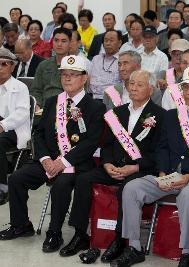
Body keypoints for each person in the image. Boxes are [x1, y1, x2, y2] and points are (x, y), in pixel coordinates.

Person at [111, 66, 189, 267]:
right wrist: (164, 173)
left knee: (188, 194)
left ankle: (188, 253)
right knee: (132, 188)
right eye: (186, 87)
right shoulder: (171, 116)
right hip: (169, 175)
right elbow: (162, 147)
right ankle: (134, 247)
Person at [0, 55, 106, 255]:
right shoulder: (51, 102)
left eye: (73, 75)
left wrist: (62, 162)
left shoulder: (95, 107)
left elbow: (91, 143)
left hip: (76, 163)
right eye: (64, 74)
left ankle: (54, 232)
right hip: (47, 160)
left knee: (61, 184)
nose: (67, 79)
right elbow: (38, 134)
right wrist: (45, 159)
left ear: (85, 78)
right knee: (16, 179)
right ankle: (21, 225)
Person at [64, 70, 165, 260]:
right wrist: (107, 164)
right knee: (83, 179)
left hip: (139, 170)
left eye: (139, 84)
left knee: (126, 189)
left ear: (151, 89)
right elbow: (108, 144)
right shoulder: (117, 113)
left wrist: (135, 167)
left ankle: (120, 239)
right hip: (114, 167)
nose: (133, 88)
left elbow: (159, 152)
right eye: (131, 83)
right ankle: (80, 234)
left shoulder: (160, 116)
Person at [0, 48, 30, 205]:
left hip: (13, 129)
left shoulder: (20, 87)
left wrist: (3, 125)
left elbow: (22, 113)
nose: (0, 67)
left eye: (4, 64)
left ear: (12, 67)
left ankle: (2, 187)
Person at [30, 27, 72, 109]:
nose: (59, 44)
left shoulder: (75, 66)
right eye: (56, 40)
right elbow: (36, 90)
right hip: (44, 107)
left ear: (70, 43)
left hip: (66, 108)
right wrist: (37, 104)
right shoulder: (43, 65)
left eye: (63, 41)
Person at [89, 30, 122, 100]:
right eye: (106, 40)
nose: (108, 43)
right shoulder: (96, 59)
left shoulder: (122, 61)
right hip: (92, 97)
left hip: (111, 99)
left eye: (111, 40)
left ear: (119, 43)